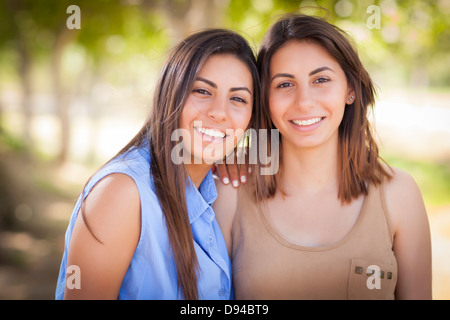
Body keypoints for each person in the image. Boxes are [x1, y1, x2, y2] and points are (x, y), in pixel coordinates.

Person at [214, 13, 432, 299]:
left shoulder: (399, 194)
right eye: (285, 84)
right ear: (265, 98)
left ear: (350, 89)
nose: (304, 102)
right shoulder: (230, 190)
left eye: (321, 79)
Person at [55, 28, 260, 300]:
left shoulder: (213, 189)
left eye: (237, 98)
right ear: (170, 93)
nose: (219, 112)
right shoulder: (123, 193)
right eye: (201, 90)